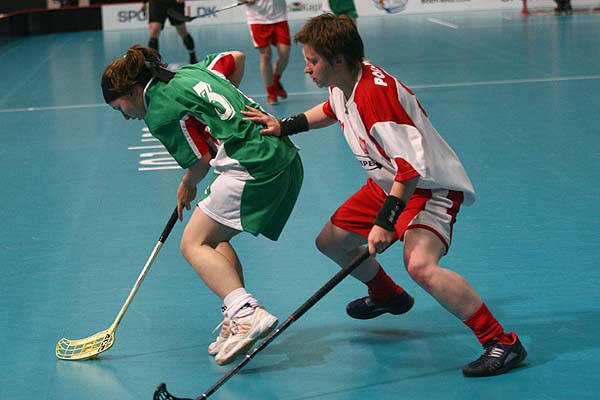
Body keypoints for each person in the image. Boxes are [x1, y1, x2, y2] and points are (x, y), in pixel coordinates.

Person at [242, 13, 527, 377]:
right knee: (331, 242)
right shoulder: (345, 80)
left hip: (427, 189)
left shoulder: (376, 98)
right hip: (386, 184)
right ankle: (387, 295)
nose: (307, 69)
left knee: (421, 266)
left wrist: (385, 223)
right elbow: (331, 110)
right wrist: (285, 126)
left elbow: (410, 172)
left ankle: (501, 342)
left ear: (338, 60)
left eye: (312, 61)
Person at [101, 45, 303, 365]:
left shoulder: (159, 111)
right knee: (215, 238)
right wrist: (224, 115)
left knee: (192, 243)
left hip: (252, 164)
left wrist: (186, 185)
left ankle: (245, 312)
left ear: (134, 91)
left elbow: (200, 162)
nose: (125, 116)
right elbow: (236, 57)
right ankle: (235, 315)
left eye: (120, 107)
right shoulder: (193, 71)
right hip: (282, 153)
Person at [243, 0, 291, 105]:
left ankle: (275, 80)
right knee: (265, 55)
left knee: (284, 54)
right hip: (257, 18)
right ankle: (271, 92)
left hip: (279, 17)